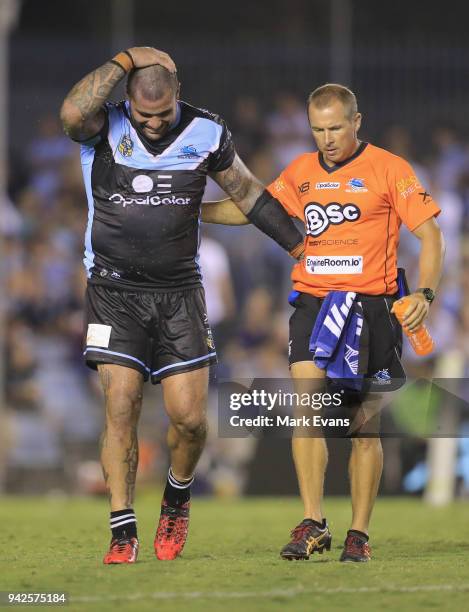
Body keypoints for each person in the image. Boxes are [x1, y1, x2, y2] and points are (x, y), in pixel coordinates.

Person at [60, 46, 304, 564]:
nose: (152, 125)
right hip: (114, 292)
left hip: (180, 293)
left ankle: (177, 495)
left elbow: (248, 193)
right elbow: (71, 113)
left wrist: (299, 245)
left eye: (163, 114)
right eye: (143, 115)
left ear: (179, 96)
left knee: (190, 421)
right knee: (120, 407)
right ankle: (122, 530)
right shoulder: (102, 126)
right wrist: (126, 59)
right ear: (127, 100)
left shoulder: (207, 132)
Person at [203, 83, 445, 562]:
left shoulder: (390, 169)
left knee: (363, 428)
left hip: (372, 308)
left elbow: (432, 236)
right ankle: (313, 521)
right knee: (307, 411)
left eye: (336, 127)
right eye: (318, 129)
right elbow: (255, 210)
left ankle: (359, 532)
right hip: (315, 305)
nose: (327, 138)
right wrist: (192, 209)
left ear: (357, 122)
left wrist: (424, 292)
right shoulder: (301, 171)